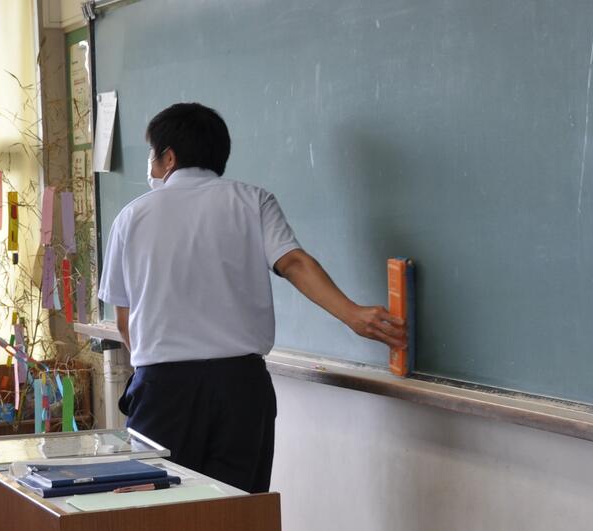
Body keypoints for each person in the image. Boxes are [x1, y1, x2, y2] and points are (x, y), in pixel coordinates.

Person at [98, 102, 406, 493]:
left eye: (152, 155)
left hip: (163, 388)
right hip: (240, 387)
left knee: (157, 510)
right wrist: (353, 315)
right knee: (240, 510)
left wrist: (159, 369)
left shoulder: (131, 217)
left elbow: (124, 320)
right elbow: (294, 263)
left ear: (169, 157)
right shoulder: (253, 200)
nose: (151, 164)